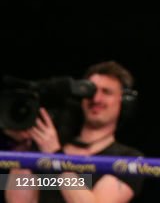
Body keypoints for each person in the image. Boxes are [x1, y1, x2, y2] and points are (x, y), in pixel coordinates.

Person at [3, 62, 143, 203]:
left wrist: (55, 157)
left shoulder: (129, 159)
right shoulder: (47, 148)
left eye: (106, 92)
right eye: (91, 91)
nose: (96, 99)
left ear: (124, 102)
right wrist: (22, 150)